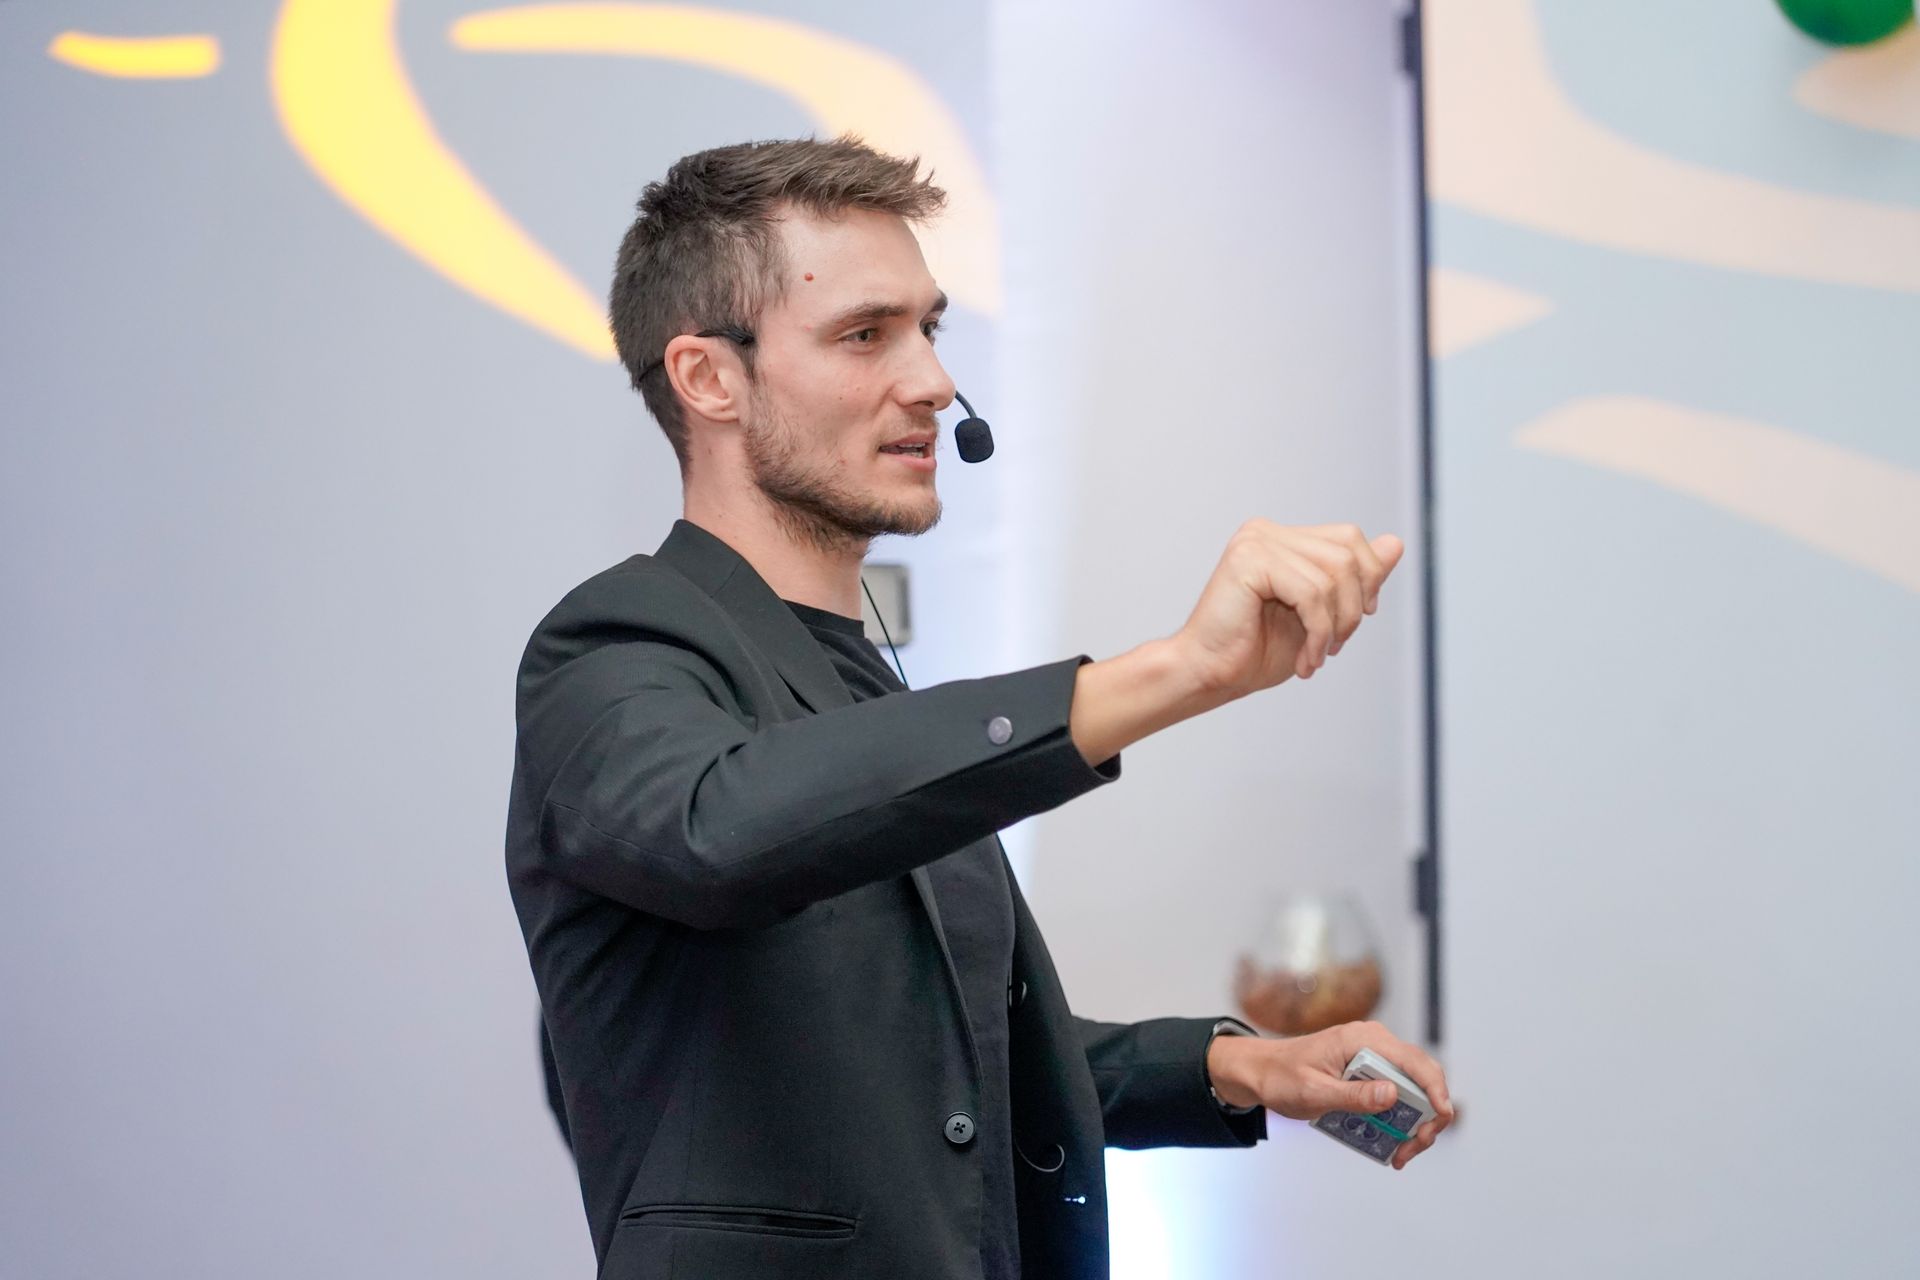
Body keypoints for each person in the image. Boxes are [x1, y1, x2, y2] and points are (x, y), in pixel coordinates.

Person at [505, 135, 1454, 1280]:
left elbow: (949, 1080)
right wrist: (1177, 671)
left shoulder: (865, 681)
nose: (933, 381)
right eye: (866, 334)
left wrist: (1237, 1065)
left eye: (929, 328)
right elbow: (724, 828)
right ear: (710, 378)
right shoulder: (612, 646)